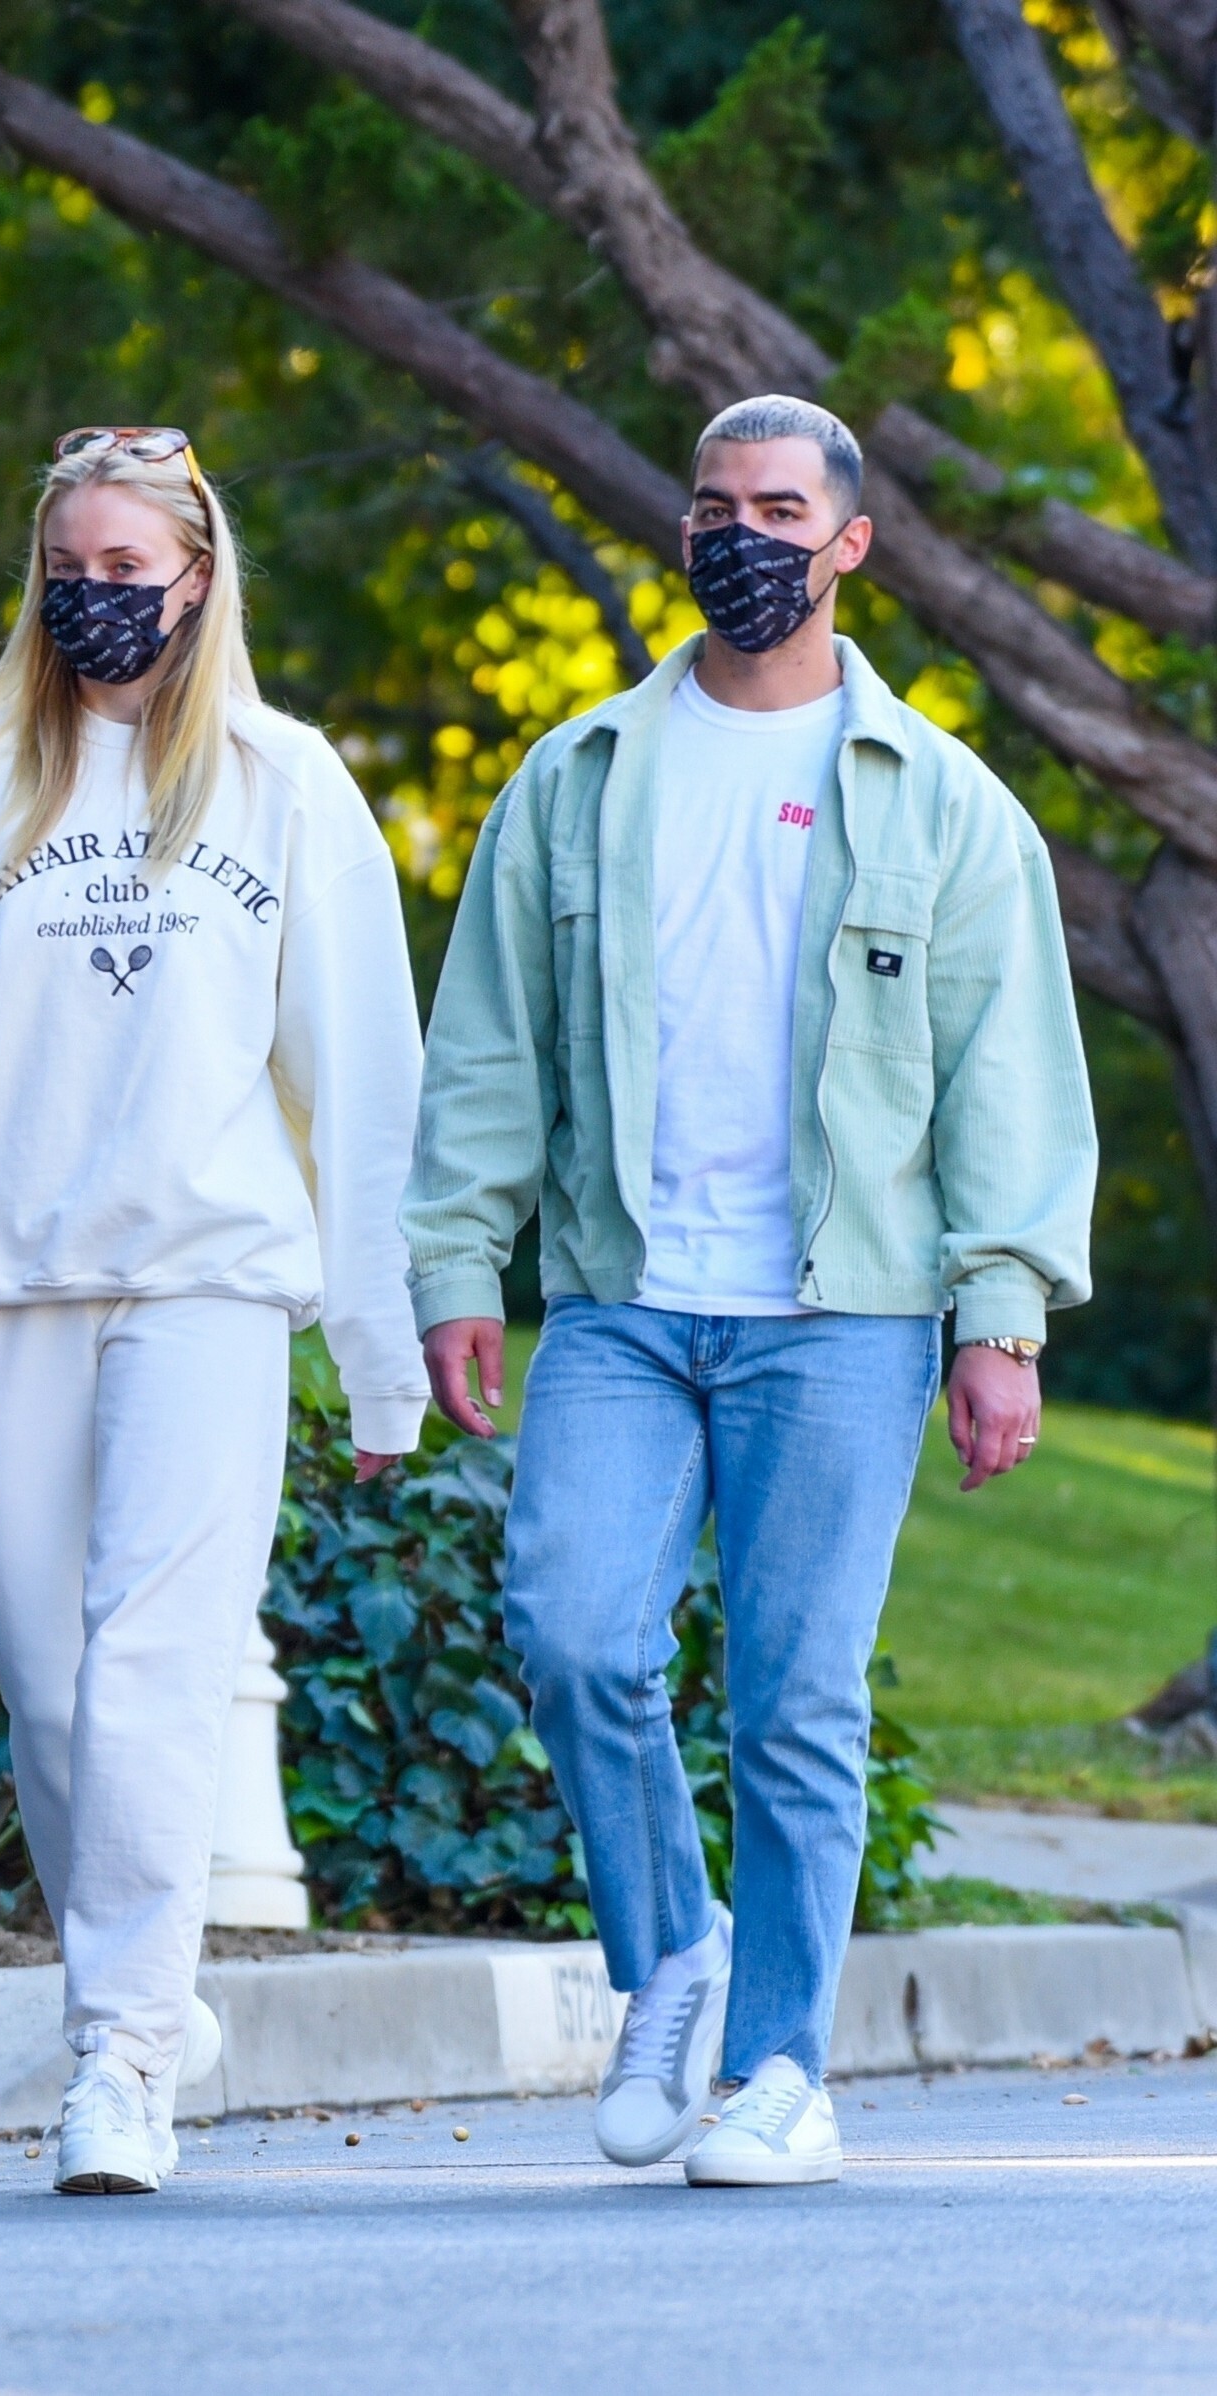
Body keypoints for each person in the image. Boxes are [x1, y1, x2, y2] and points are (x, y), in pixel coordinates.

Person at [402, 394, 1096, 2187]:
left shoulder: (944, 803)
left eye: (782, 510)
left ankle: (783, 2073)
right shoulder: (576, 779)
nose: (742, 536)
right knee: (573, 1634)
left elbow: (1008, 1077)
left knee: (796, 1704)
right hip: (625, 1301)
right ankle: (676, 1961)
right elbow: (488, 1047)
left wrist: (999, 1316)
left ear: (850, 543)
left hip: (845, 1317)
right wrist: (459, 1257)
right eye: (716, 506)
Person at [0, 425, 429, 2195]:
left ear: (197, 579)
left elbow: (361, 1081)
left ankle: (124, 2055)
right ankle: (146, 1992)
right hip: (2, 1283)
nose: (95, 597)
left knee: (156, 1666)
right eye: (66, 569)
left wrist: (380, 1351)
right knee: (52, 1688)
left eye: (127, 570)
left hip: (208, 1279)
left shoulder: (284, 782)